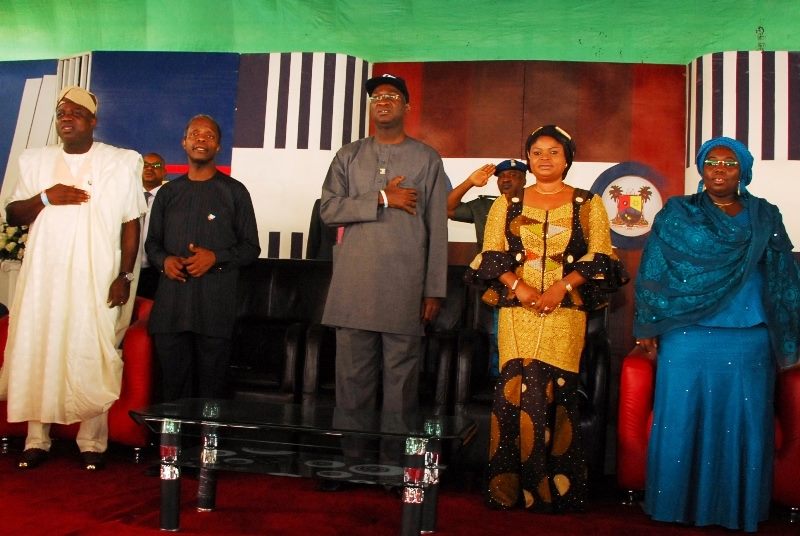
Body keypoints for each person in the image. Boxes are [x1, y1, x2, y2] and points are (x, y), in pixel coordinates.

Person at [634, 137, 800, 532]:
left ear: (743, 171)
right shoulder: (678, 212)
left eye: (729, 163)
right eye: (712, 161)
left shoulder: (764, 215)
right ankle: (673, 506)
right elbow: (653, 269)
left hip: (747, 335)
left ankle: (735, 509)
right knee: (680, 418)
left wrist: (789, 331)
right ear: (701, 168)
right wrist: (648, 325)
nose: (719, 169)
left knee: (742, 421)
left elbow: (782, 276)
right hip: (685, 334)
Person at [469, 125, 624, 511]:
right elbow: (491, 252)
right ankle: (508, 491)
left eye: (554, 151)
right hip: (517, 312)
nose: (544, 158)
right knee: (514, 392)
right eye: (537, 152)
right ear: (528, 158)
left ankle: (555, 493)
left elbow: (600, 255)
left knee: (555, 392)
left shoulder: (588, 203)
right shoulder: (508, 202)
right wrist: (518, 286)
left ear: (567, 158)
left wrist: (562, 287)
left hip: (565, 313)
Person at [0, 86, 145, 470]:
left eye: (76, 112)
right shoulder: (35, 161)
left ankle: (92, 441)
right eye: (61, 112)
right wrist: (46, 197)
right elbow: (13, 214)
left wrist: (125, 274)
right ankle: (37, 439)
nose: (67, 118)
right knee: (40, 347)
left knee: (90, 349)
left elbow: (131, 222)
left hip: (95, 275)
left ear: (93, 121)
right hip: (43, 279)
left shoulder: (119, 162)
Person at [320, 73, 450, 414]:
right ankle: (354, 452)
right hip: (354, 289)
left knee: (401, 393)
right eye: (377, 96)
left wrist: (434, 290)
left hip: (405, 289)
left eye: (392, 96)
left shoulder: (427, 158)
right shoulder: (348, 155)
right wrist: (382, 197)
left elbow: (437, 228)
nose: (383, 101)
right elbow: (329, 210)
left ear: (407, 107)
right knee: (351, 390)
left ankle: (397, 452)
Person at [146, 114, 260, 402]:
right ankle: (171, 434)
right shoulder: (168, 193)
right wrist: (164, 261)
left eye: (209, 135)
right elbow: (152, 244)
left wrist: (215, 258)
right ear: (184, 143)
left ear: (218, 146)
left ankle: (209, 433)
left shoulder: (235, 192)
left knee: (212, 394)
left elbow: (251, 248)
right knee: (171, 392)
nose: (201, 139)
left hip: (215, 311)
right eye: (195, 134)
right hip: (171, 311)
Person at [448, 159, 529, 378]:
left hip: (531, 281)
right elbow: (448, 208)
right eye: (501, 176)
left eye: (513, 175)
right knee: (498, 335)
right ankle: (500, 381)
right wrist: (470, 182)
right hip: (497, 282)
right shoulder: (485, 206)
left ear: (524, 180)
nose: (506, 179)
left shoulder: (537, 203)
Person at [137, 152, 167, 298]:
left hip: (157, 271)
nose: (149, 168)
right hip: (125, 269)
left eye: (156, 165)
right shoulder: (126, 196)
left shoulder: (171, 200)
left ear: (164, 172)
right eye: (145, 165)